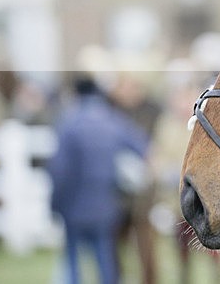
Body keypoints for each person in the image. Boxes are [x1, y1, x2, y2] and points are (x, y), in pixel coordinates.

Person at [47, 76, 149, 284]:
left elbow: (59, 170)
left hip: (73, 207)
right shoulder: (112, 120)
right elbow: (142, 146)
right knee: (105, 260)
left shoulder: (69, 123)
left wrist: (55, 204)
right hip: (107, 205)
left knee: (73, 261)